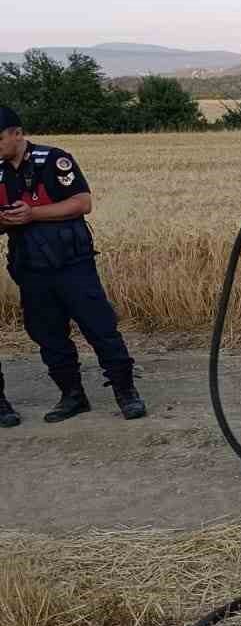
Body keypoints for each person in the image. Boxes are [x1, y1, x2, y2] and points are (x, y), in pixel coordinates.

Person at [0, 105, 146, 421]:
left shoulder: (53, 160)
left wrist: (32, 213)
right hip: (30, 268)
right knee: (48, 335)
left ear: (17, 133)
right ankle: (72, 396)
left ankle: (126, 393)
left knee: (100, 328)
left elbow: (83, 202)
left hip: (72, 264)